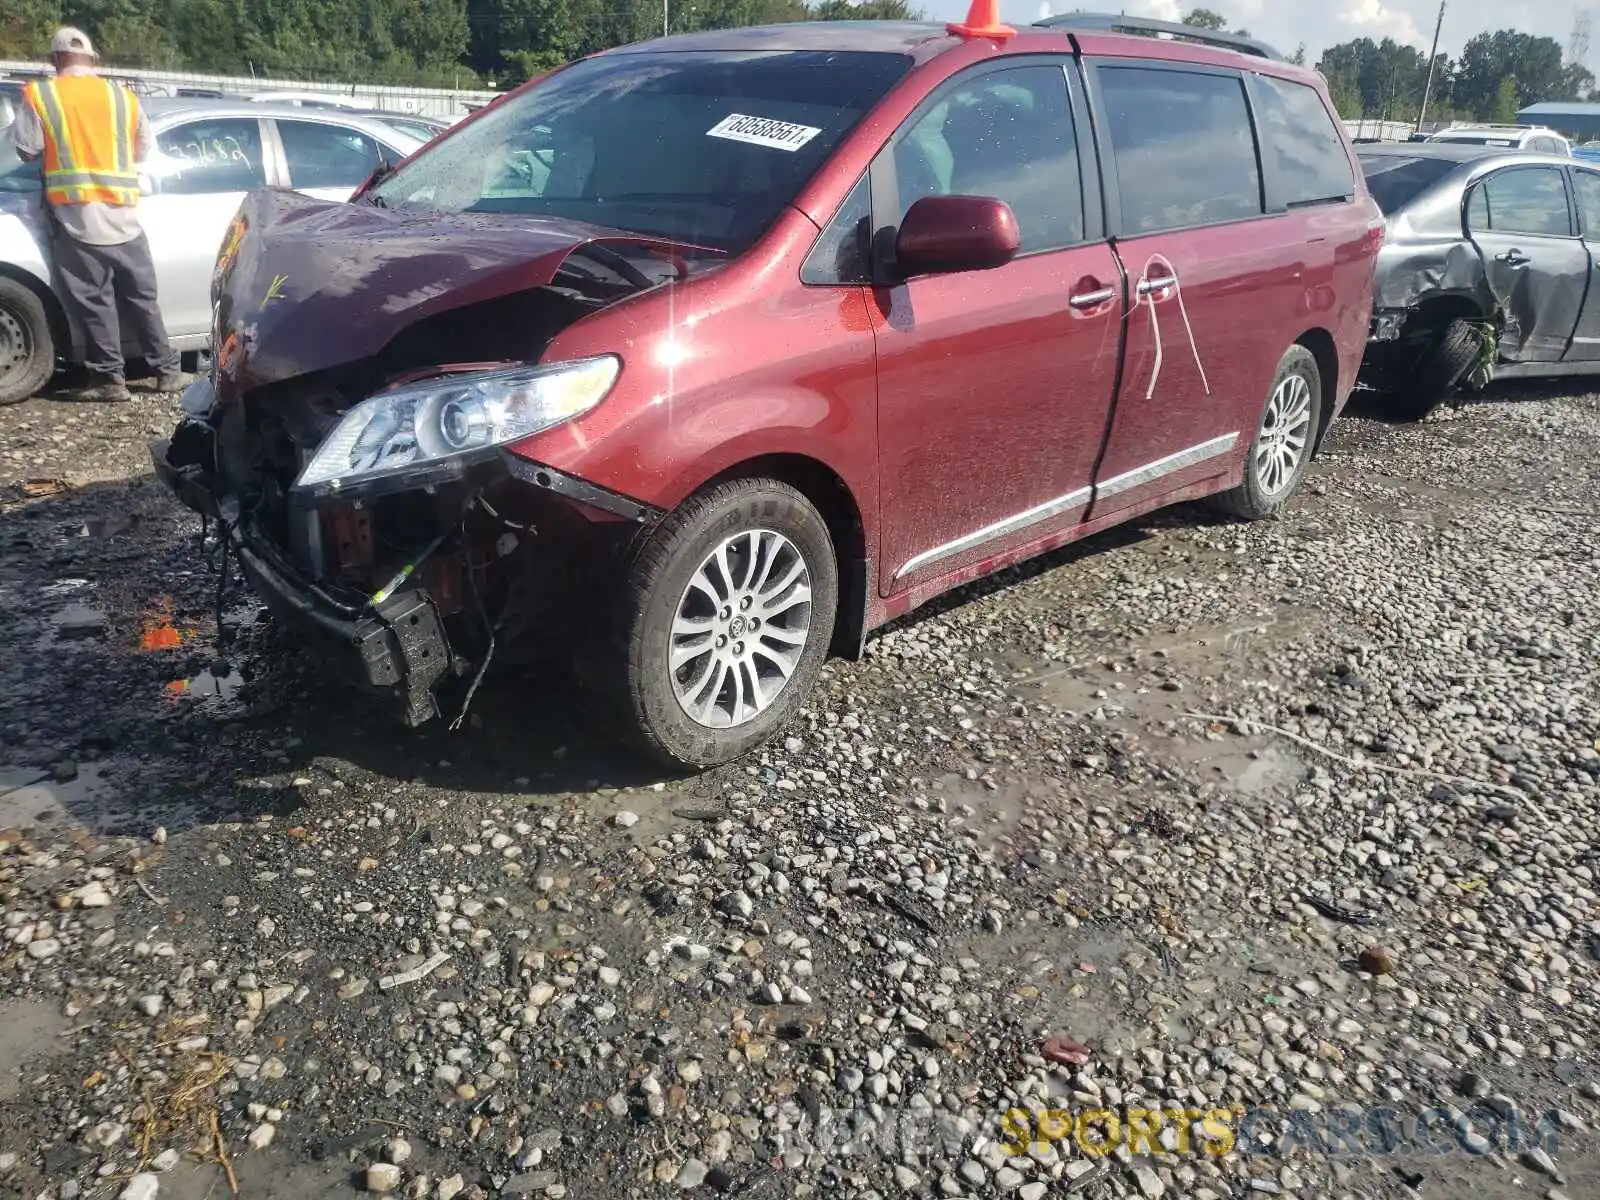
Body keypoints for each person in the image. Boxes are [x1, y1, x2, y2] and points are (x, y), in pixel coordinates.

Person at [13, 28, 192, 403]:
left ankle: (110, 381)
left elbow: (27, 150)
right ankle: (167, 372)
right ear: (93, 60)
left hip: (76, 219)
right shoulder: (122, 97)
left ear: (54, 60)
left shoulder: (41, 95)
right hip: (125, 215)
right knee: (143, 300)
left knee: (95, 304)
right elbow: (143, 150)